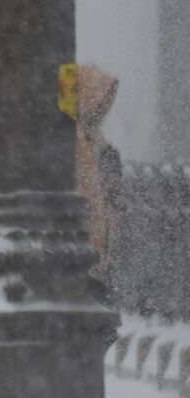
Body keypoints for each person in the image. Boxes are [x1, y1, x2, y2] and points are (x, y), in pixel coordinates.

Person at [74, 64, 122, 283]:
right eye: (99, 102)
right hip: (82, 239)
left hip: (96, 240)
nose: (103, 108)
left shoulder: (94, 138)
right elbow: (88, 191)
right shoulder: (79, 142)